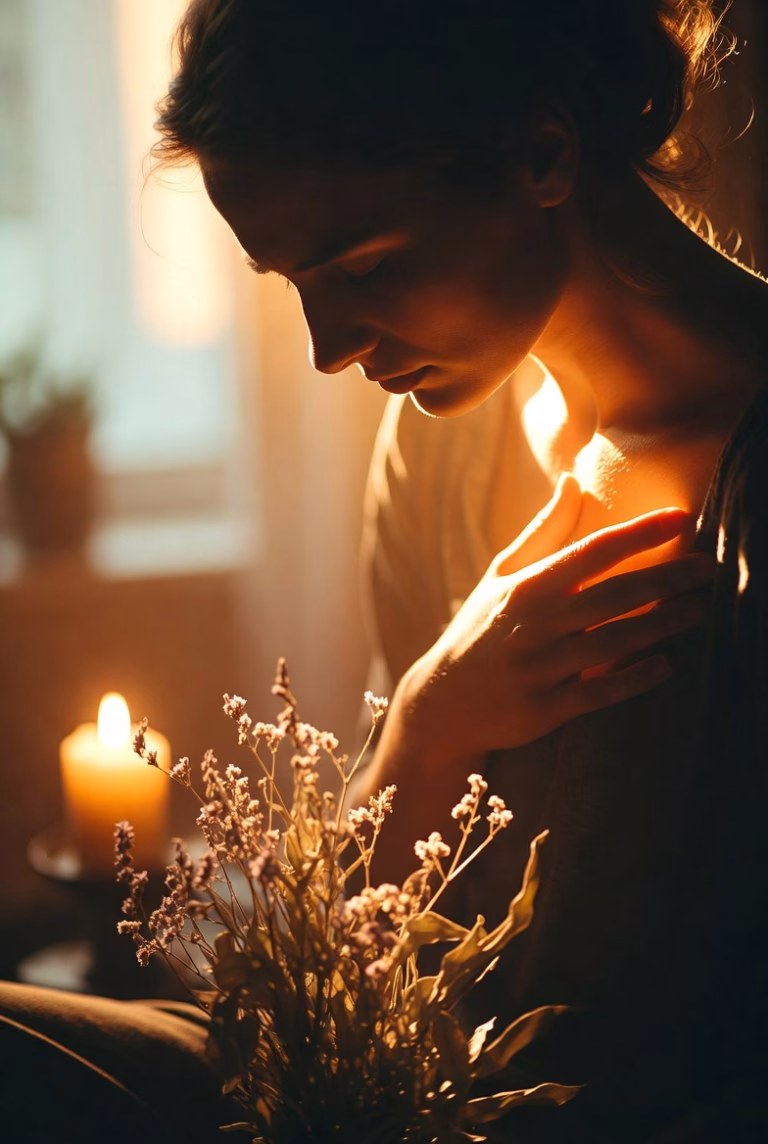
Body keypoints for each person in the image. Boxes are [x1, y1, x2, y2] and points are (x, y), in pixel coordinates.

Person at [2, 1, 766, 1140]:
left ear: (541, 153)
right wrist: (426, 718)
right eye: (295, 286)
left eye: (362, 266)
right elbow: (344, 941)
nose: (329, 350)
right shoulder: (442, 441)